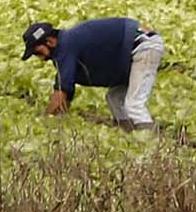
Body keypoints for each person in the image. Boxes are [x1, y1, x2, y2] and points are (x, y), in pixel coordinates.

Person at [21, 17, 163, 131]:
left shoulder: (66, 46)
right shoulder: (66, 46)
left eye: (37, 52)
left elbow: (61, 92)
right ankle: (129, 132)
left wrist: (45, 121)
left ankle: (150, 145)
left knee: (134, 104)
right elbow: (66, 91)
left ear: (50, 41)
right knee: (114, 97)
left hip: (143, 46)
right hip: (131, 53)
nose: (39, 57)